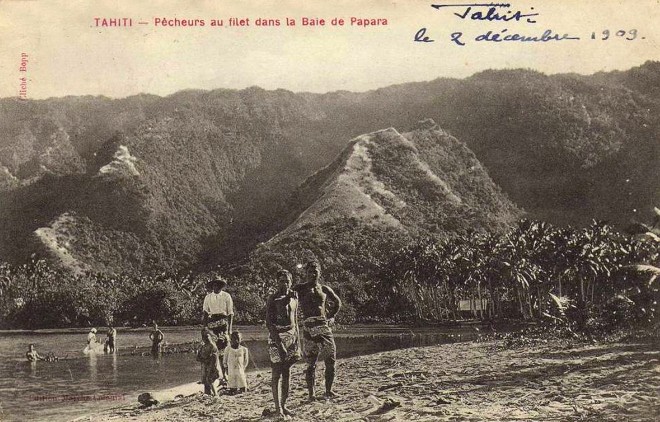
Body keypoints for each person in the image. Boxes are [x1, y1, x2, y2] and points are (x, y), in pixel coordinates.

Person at [292, 260, 342, 401]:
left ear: (319, 273)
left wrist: (331, 316)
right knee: (310, 362)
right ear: (305, 273)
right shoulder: (300, 288)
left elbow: (337, 302)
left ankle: (328, 390)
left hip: (323, 325)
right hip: (308, 326)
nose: (312, 274)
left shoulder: (324, 289)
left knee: (331, 358)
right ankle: (311, 394)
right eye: (309, 272)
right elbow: (287, 298)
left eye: (315, 272)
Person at [266, 269, 301, 418]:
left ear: (291, 282)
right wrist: (279, 344)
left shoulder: (294, 297)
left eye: (287, 281)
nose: (284, 284)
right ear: (277, 282)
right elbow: (269, 323)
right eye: (281, 281)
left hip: (292, 335)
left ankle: (284, 405)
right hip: (277, 336)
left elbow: (295, 320)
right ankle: (277, 408)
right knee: (276, 374)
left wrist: (297, 340)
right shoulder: (273, 299)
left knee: (287, 372)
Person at [203, 277, 234, 379]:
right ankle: (215, 374)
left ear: (221, 286)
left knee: (223, 349)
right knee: (213, 349)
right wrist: (205, 327)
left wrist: (229, 328)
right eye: (214, 285)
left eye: (218, 285)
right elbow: (205, 313)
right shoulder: (208, 297)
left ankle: (226, 374)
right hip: (212, 324)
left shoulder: (226, 296)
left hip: (223, 322)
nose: (216, 287)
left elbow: (230, 313)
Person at [196, 330, 221, 396]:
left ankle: (215, 394)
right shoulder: (202, 347)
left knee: (210, 380)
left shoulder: (213, 346)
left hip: (211, 366)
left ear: (210, 337)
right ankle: (208, 394)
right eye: (204, 337)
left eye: (208, 337)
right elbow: (198, 358)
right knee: (205, 381)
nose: (207, 339)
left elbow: (214, 358)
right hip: (204, 366)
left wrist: (211, 367)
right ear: (203, 339)